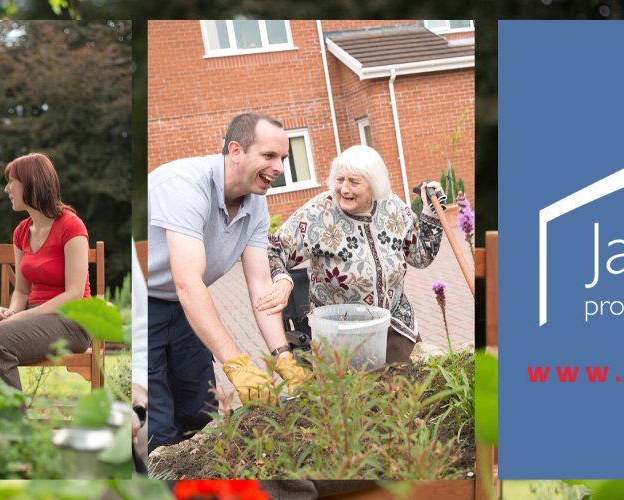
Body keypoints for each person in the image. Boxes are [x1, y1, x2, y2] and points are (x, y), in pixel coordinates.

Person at [146, 112, 310, 448]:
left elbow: (261, 287)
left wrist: (283, 356)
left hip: (186, 308)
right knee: (158, 430)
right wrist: (236, 363)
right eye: (269, 156)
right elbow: (188, 283)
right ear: (235, 151)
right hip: (145, 305)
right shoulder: (183, 185)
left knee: (200, 416)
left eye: (283, 158)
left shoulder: (256, 203)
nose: (279, 167)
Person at [262, 145, 445, 364]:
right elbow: (272, 248)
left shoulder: (393, 207)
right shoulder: (319, 213)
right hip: (340, 334)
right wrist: (282, 279)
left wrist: (431, 212)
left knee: (416, 383)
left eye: (354, 182)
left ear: (374, 185)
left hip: (395, 325)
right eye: (340, 180)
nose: (344, 189)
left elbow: (421, 256)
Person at [0, 153, 92, 391]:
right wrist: (12, 312)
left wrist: (21, 317)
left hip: (72, 322)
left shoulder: (71, 226)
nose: (7, 189)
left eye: (11, 182)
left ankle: (13, 413)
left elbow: (73, 295)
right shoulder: (21, 231)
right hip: (34, 317)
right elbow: (22, 290)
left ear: (31, 183)